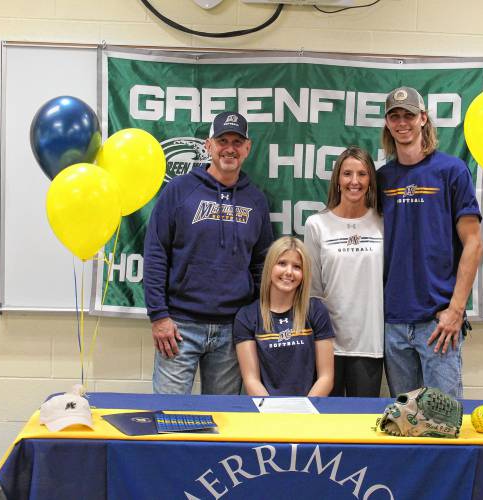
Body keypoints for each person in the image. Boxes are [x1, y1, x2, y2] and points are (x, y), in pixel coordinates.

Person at [143, 111, 274, 395]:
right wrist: (158, 316)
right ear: (208, 145)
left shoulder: (256, 200)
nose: (230, 148)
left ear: (248, 148)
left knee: (223, 420)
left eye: (237, 142)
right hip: (178, 328)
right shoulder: (179, 191)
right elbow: (155, 253)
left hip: (232, 329)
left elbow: (263, 263)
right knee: (169, 416)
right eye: (222, 140)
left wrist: (253, 318)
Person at [378, 86, 483, 398]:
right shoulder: (383, 178)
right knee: (406, 424)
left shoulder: (451, 170)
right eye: (394, 116)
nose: (402, 123)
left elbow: (474, 244)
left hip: (438, 323)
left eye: (409, 115)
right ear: (387, 123)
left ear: (423, 118)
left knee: (445, 421)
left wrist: (455, 310)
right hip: (394, 323)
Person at [304, 146, 384, 397]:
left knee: (363, 425)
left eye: (362, 174)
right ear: (337, 179)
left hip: (370, 343)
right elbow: (313, 290)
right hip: (328, 343)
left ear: (370, 180)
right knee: (330, 424)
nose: (354, 181)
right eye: (347, 173)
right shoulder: (317, 224)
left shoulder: (383, 221)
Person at [233, 236, 335, 397]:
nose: (289, 272)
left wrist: (302, 411)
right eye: (282, 263)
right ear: (270, 267)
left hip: (308, 411)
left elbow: (326, 378)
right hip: (266, 412)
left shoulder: (316, 310)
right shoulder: (247, 316)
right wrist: (275, 413)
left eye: (297, 267)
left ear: (304, 274)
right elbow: (251, 380)